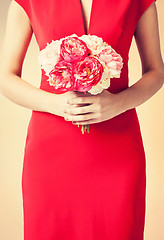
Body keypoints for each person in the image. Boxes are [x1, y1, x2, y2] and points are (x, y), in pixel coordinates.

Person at [0, 0, 164, 239]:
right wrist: (55, 104)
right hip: (51, 152)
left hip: (118, 149)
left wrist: (119, 103)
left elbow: (156, 71)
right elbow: (5, 76)